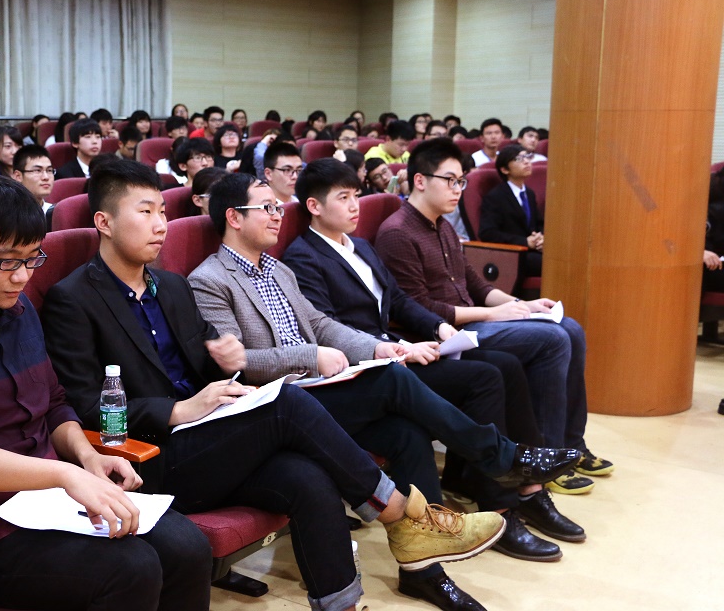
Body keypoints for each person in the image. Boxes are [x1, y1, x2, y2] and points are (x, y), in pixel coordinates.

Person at [39, 160, 515, 611]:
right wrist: (177, 410)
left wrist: (228, 366)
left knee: (308, 478)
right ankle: (403, 518)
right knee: (288, 403)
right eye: (145, 213)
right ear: (103, 222)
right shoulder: (73, 299)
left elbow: (213, 361)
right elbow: (84, 406)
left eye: (163, 212)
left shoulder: (172, 286)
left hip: (211, 435)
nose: (161, 225)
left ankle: (341, 602)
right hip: (150, 456)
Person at [187, 171, 580, 608]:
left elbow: (320, 324)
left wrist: (376, 346)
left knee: (406, 434)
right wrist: (311, 355)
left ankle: (424, 570)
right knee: (392, 379)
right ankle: (500, 457)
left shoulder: (277, 269)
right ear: (234, 217)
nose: (279, 215)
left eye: (279, 207)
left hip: (322, 388)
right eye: (267, 208)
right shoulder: (209, 280)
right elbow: (237, 361)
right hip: (281, 406)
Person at [0, 176, 212, 610]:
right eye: (7, 262)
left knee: (188, 546)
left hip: (49, 502)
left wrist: (87, 457)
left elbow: (53, 403)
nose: (21, 277)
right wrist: (63, 474)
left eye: (32, 258)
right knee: (131, 568)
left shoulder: (17, 310)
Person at [283, 158, 586, 562]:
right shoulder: (304, 258)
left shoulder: (360, 247)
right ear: (314, 206)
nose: (355, 206)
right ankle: (500, 504)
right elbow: (329, 327)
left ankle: (527, 488)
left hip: (395, 351)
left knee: (505, 368)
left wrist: (439, 328)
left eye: (357, 195)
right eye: (343, 198)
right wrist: (397, 347)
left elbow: (399, 300)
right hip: (366, 367)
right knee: (484, 378)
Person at [374, 138, 613, 494]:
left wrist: (523, 304)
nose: (458, 189)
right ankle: (548, 456)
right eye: (450, 180)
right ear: (420, 180)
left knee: (571, 328)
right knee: (552, 340)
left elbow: (477, 285)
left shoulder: (444, 226)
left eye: (461, 181)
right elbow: (419, 308)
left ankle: (571, 444)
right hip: (449, 334)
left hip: (476, 320)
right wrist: (493, 314)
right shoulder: (397, 232)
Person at [479, 144, 544, 277]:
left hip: (532, 252)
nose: (526, 162)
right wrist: (524, 241)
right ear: (504, 169)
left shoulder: (529, 193)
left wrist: (542, 238)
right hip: (512, 254)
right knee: (551, 263)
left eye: (527, 157)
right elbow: (488, 233)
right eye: (519, 159)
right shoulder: (496, 196)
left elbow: (538, 223)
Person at [12, 145, 56, 213]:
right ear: (18, 176)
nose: (46, 177)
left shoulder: (55, 212)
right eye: (37, 170)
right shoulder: (7, 213)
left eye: (49, 170)